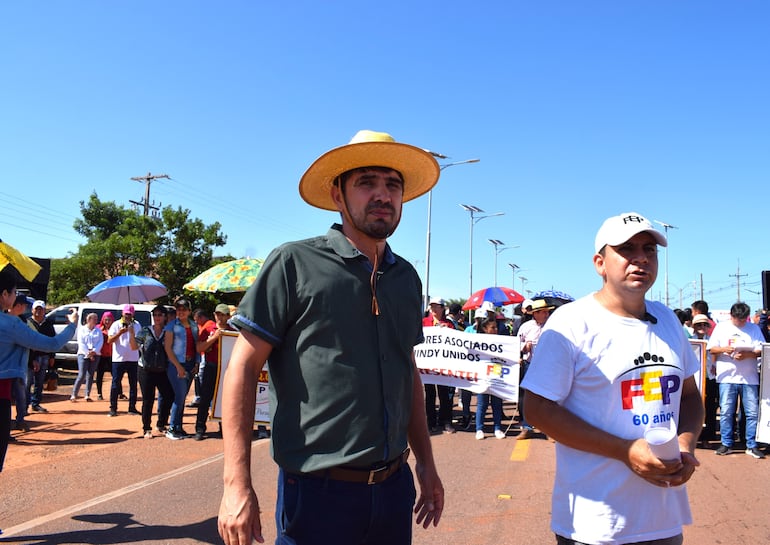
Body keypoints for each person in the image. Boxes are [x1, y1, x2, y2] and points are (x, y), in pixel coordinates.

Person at [217, 129, 444, 545]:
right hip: (318, 494)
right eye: (366, 182)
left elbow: (406, 372)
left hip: (394, 490)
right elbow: (243, 367)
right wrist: (236, 484)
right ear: (338, 195)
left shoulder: (406, 278)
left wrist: (426, 462)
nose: (383, 195)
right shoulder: (295, 262)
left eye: (393, 185)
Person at [522, 212, 704, 545]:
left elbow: (690, 397)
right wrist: (626, 451)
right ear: (600, 263)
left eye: (649, 249)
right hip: (596, 524)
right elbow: (536, 408)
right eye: (626, 249)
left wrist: (683, 445)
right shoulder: (571, 323)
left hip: (662, 521)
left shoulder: (667, 319)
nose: (641, 258)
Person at [0, 268, 78, 471]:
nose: (16, 297)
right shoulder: (11, 324)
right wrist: (72, 325)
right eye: (15, 292)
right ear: (5, 295)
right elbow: (52, 344)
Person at [706, 302, 765, 459]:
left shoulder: (754, 328)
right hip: (727, 376)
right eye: (738, 319)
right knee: (726, 411)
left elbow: (761, 350)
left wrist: (748, 355)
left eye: (743, 319)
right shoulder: (721, 328)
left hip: (749, 377)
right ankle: (726, 443)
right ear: (731, 316)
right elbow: (711, 348)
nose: (740, 322)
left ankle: (751, 444)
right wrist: (725, 349)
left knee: (752, 413)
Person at [194, 303, 233, 441]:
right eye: (217, 314)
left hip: (227, 369)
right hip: (211, 367)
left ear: (228, 316)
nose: (219, 317)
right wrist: (215, 337)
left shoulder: (233, 331)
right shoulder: (209, 329)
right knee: (205, 398)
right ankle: (199, 428)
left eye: (223, 314)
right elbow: (199, 348)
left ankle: (224, 429)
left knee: (225, 399)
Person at [517, 298, 554, 439]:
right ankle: (527, 427)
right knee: (528, 396)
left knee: (546, 397)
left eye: (547, 312)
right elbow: (516, 343)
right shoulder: (525, 327)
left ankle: (548, 430)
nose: (546, 315)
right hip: (529, 364)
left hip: (547, 365)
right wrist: (524, 347)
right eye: (544, 312)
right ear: (535, 313)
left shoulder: (553, 326)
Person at [163, 297, 199, 440]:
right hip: (176, 364)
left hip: (190, 364)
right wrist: (178, 366)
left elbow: (196, 346)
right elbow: (168, 348)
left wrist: (196, 363)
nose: (181, 312)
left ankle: (178, 426)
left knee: (182, 396)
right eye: (178, 309)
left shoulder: (194, 326)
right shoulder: (171, 326)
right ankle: (172, 427)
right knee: (179, 396)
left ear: (189, 311)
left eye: (184, 309)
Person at [136, 305, 174, 439]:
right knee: (148, 399)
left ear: (165, 317)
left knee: (168, 396)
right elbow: (134, 346)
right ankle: (146, 428)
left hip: (162, 369)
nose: (157, 317)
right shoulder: (145, 331)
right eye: (155, 315)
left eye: (160, 315)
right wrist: (130, 333)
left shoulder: (168, 332)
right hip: (146, 369)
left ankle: (161, 423)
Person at [422, 297, 456, 434]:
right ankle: (430, 422)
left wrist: (446, 331)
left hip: (443, 366)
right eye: (432, 306)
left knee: (444, 394)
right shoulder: (424, 323)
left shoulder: (449, 324)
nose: (434, 309)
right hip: (428, 365)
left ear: (443, 308)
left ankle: (446, 421)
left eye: (437, 306)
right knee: (429, 394)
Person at [475, 317, 506, 440]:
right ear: (484, 329)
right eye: (492, 327)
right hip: (483, 374)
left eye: (496, 327)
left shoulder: (501, 341)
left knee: (497, 403)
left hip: (496, 373)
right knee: (482, 404)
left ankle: (498, 428)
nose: (495, 329)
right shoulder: (478, 341)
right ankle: (479, 429)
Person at [107, 304, 141, 417]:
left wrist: (131, 332)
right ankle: (113, 408)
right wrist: (120, 333)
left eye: (129, 314)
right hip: (119, 359)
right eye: (126, 314)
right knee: (115, 383)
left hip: (133, 358)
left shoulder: (136, 325)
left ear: (133, 315)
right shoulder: (116, 324)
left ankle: (132, 407)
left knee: (133, 384)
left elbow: (139, 341)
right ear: (122, 313)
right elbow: (109, 340)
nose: (127, 316)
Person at [691, 314, 718, 444]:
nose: (702, 327)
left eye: (704, 324)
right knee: (695, 407)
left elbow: (716, 355)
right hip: (695, 379)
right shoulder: (689, 341)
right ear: (694, 327)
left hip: (710, 378)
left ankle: (709, 435)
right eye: (699, 325)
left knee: (710, 407)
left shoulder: (713, 341)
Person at [26, 300, 55, 414]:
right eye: (36, 309)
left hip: (44, 356)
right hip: (31, 358)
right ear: (32, 310)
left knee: (39, 381)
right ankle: (24, 406)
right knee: (27, 383)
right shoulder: (28, 323)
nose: (38, 311)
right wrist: (31, 359)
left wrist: (52, 356)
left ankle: (35, 403)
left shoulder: (48, 324)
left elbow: (53, 340)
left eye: (41, 309)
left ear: (44, 311)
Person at [8, 294, 29, 433]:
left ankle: (20, 420)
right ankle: (7, 425)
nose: (26, 308)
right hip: (6, 366)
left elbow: (28, 342)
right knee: (5, 398)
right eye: (24, 305)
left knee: (21, 394)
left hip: (19, 366)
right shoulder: (4, 318)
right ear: (18, 305)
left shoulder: (22, 320)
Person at [70, 312, 103, 401]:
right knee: (81, 374)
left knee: (90, 375)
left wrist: (94, 352)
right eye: (94, 319)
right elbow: (81, 343)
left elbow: (100, 342)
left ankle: (87, 394)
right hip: (83, 354)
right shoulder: (82, 330)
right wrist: (88, 353)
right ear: (89, 320)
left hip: (96, 354)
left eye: (96, 319)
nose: (96, 321)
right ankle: (74, 394)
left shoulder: (98, 330)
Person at [95, 312, 115, 401]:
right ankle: (99, 393)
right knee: (99, 375)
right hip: (101, 355)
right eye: (106, 319)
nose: (107, 321)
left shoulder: (114, 328)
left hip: (112, 355)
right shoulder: (98, 328)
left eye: (109, 320)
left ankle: (119, 392)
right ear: (102, 319)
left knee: (115, 375)